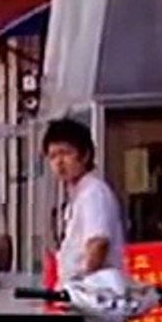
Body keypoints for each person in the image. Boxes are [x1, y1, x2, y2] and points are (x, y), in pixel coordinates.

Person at [43, 118, 125, 286]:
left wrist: (82, 286)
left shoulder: (93, 192)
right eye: (53, 156)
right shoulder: (78, 195)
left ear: (85, 155)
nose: (59, 162)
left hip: (92, 297)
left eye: (65, 153)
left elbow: (98, 243)